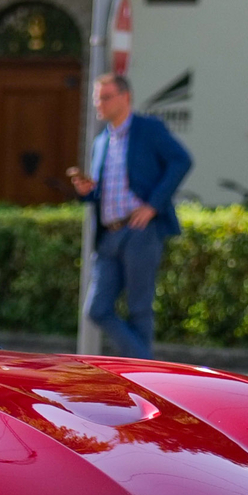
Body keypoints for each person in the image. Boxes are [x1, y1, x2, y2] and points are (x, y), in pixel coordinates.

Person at [65, 72, 193, 358]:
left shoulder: (148, 129)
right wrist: (87, 191)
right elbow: (101, 193)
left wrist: (153, 205)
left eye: (106, 97)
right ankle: (148, 366)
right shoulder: (102, 141)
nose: (100, 103)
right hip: (109, 233)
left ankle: (144, 374)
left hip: (140, 231)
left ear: (126, 97)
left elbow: (181, 161)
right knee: (97, 310)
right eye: (97, 98)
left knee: (139, 308)